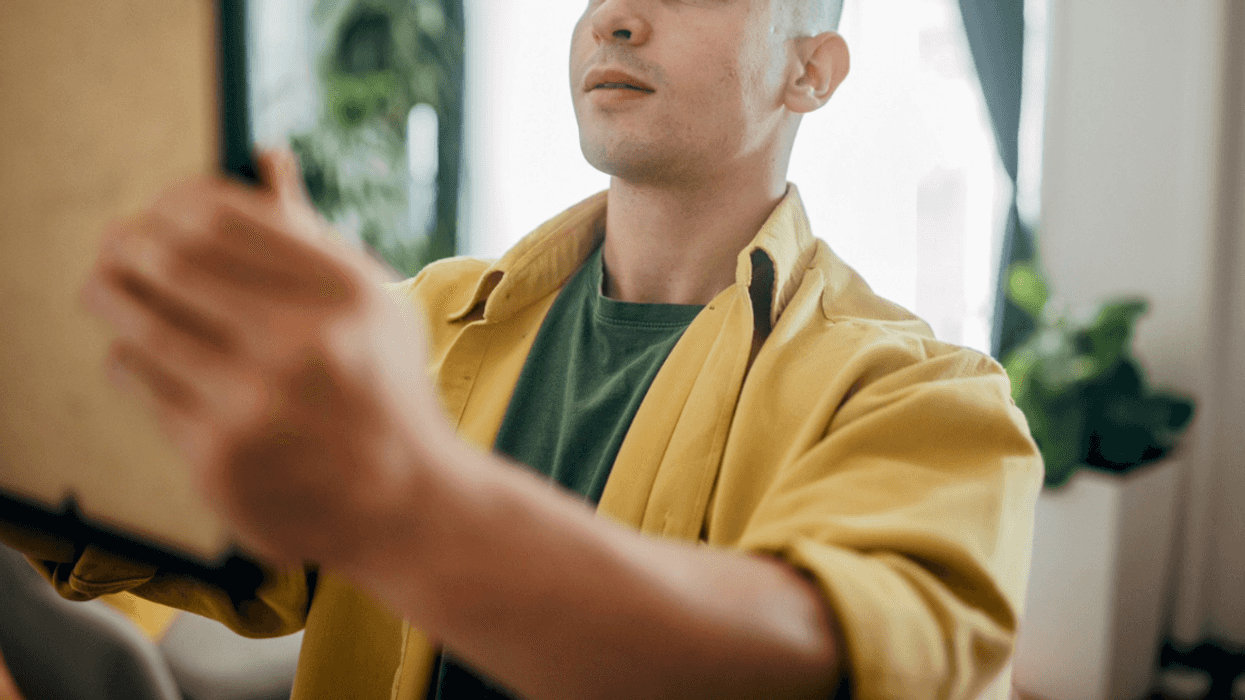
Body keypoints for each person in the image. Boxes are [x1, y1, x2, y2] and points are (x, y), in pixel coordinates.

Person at [9, 0, 1043, 698]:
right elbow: (177, 518)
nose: (613, 17)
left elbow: (826, 663)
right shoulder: (418, 320)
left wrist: (406, 496)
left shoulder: (927, 399)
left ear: (810, 71)